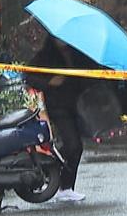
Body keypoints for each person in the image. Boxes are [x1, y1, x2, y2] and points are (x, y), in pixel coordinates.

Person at [27, 36, 96, 202]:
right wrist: (50, 82)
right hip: (58, 107)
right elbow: (29, 77)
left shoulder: (77, 54)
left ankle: (63, 183)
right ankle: (57, 180)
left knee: (75, 148)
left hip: (77, 105)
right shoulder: (45, 56)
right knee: (73, 145)